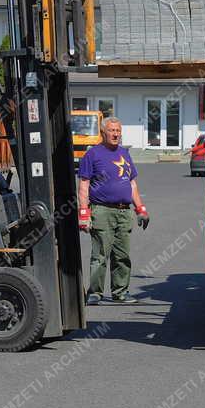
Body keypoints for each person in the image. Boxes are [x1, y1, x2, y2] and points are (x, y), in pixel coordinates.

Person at [77, 116, 150, 305]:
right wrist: (84, 213)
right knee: (100, 255)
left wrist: (140, 209)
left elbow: (132, 184)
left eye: (118, 131)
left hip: (124, 212)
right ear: (103, 132)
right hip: (102, 211)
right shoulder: (92, 154)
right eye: (112, 130)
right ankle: (95, 293)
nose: (116, 134)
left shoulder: (124, 154)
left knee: (122, 255)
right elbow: (84, 185)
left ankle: (120, 292)